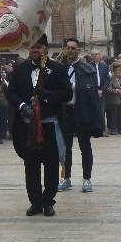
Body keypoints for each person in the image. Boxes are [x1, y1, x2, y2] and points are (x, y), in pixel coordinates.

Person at [7, 34, 72, 216]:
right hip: (28, 127)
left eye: (39, 47)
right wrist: (21, 106)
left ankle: (48, 201)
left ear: (46, 49)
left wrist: (47, 95)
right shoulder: (20, 69)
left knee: (51, 165)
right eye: (32, 47)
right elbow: (11, 92)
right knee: (31, 165)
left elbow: (67, 94)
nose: (35, 50)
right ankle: (35, 201)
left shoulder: (57, 69)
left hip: (49, 125)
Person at [59, 37, 104, 193]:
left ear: (78, 50)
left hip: (82, 112)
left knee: (85, 147)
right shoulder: (60, 68)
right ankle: (66, 178)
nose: (70, 50)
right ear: (64, 49)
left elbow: (92, 94)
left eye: (73, 48)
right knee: (65, 148)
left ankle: (87, 179)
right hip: (65, 113)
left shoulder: (87, 69)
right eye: (68, 47)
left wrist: (75, 87)